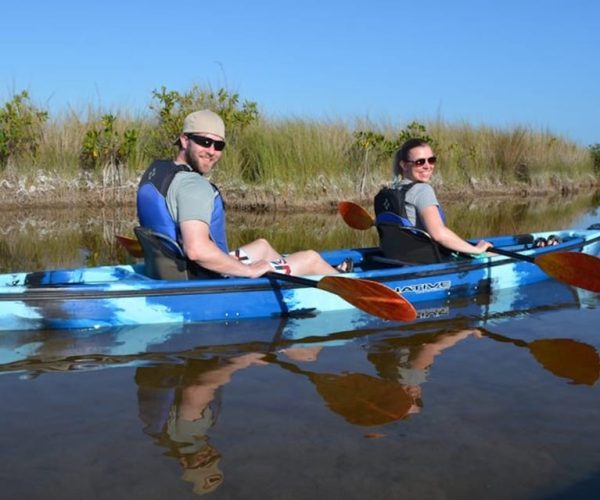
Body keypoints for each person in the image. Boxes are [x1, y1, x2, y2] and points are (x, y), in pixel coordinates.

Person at [137, 110, 350, 279]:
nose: (211, 151)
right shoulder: (194, 186)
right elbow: (196, 250)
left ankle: (282, 283)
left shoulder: (159, 172)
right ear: (184, 140)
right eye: (204, 142)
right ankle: (339, 279)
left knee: (262, 247)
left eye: (218, 145)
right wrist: (249, 271)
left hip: (171, 269)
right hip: (203, 277)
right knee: (311, 258)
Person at [374, 138, 493, 257]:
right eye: (420, 162)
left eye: (431, 160)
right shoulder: (422, 190)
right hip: (424, 262)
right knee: (491, 256)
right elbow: (439, 234)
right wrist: (476, 249)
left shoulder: (389, 192)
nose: (427, 166)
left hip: (393, 258)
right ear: (404, 165)